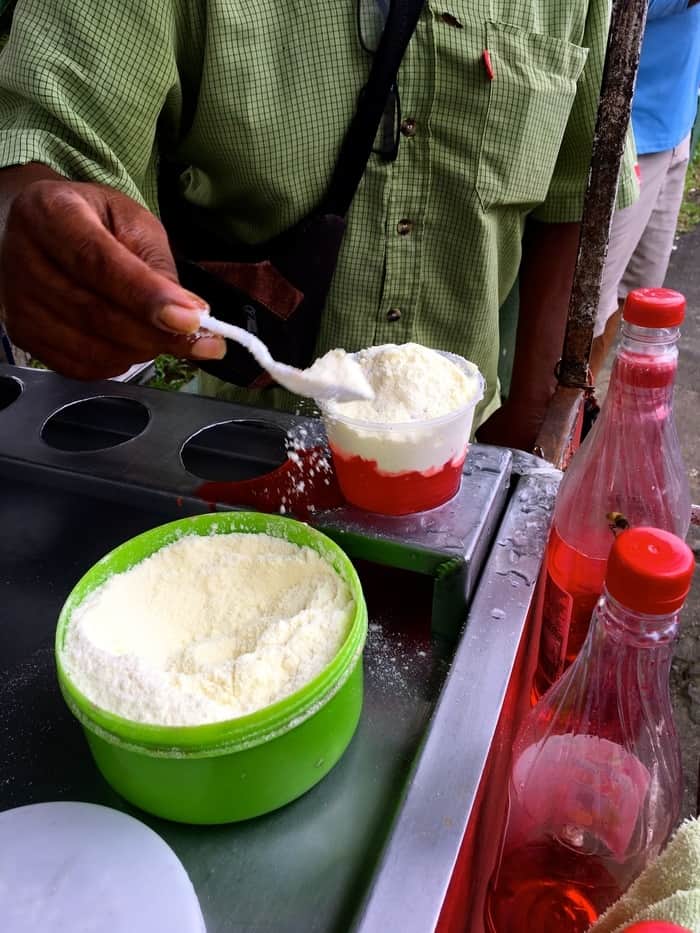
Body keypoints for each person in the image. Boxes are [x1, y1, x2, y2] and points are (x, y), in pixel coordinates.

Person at [0, 0, 637, 451]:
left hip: (464, 452)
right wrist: (32, 233)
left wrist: (528, 424)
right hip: (238, 442)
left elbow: (576, 190)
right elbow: (48, 142)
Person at [591, 0, 700, 379]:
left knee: (636, 296)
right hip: (624, 133)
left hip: (675, 122)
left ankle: (585, 411)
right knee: (590, 304)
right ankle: (566, 426)